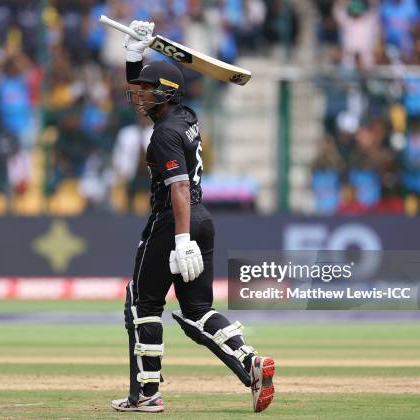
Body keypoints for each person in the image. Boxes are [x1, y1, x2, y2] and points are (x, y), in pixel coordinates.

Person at [110, 21, 274, 414]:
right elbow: (154, 98)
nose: (138, 95)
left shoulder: (164, 134)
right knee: (198, 310)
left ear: (164, 93)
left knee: (143, 304)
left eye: (146, 89)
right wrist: (135, 56)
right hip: (201, 219)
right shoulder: (185, 117)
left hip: (173, 219)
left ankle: (146, 395)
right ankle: (250, 361)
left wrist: (180, 240)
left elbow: (178, 187)